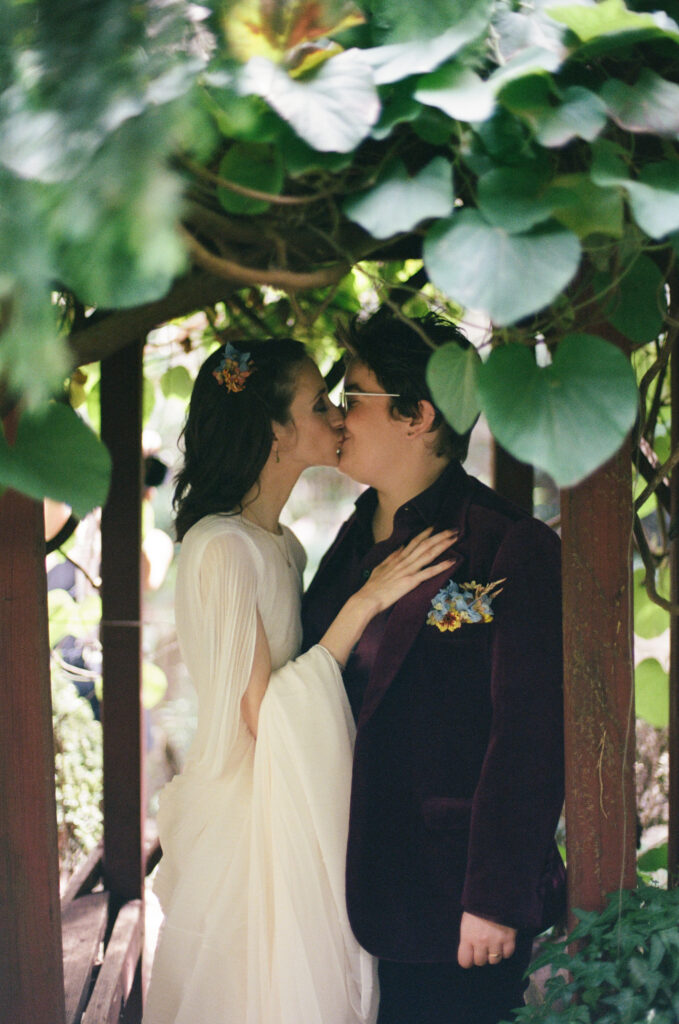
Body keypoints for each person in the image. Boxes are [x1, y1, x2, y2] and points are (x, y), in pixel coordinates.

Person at [143, 338, 456, 1024]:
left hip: (291, 800)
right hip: (251, 822)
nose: (340, 416)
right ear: (275, 431)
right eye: (320, 405)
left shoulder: (279, 544)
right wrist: (365, 602)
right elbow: (263, 716)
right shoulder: (221, 547)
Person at [302, 309, 566, 1024]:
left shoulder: (508, 546)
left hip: (452, 901)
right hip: (341, 887)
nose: (336, 418)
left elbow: (529, 739)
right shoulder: (347, 544)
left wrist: (493, 898)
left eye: (351, 396)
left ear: (416, 416)